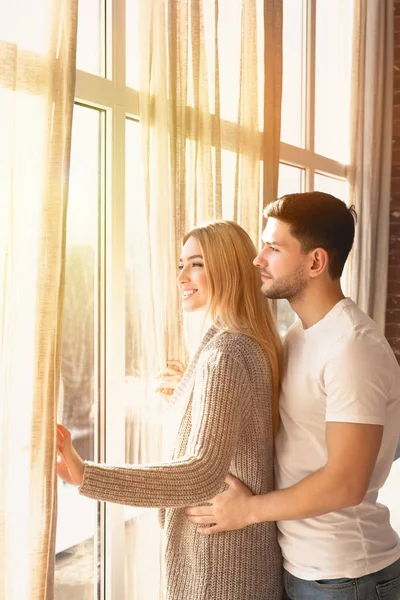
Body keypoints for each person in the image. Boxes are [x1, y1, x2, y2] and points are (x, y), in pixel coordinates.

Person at [186, 193, 400, 599]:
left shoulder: (353, 347)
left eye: (273, 247)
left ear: (316, 262)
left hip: (347, 577)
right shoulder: (297, 336)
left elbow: (346, 484)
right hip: (306, 569)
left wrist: (247, 511)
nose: (258, 259)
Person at [56, 220, 283, 600]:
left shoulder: (227, 353)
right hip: (232, 556)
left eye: (196, 263)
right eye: (180, 264)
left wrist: (86, 475)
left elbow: (200, 473)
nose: (181, 276)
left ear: (227, 268)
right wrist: (188, 392)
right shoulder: (240, 341)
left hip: (221, 568)